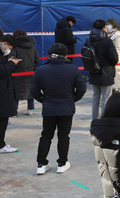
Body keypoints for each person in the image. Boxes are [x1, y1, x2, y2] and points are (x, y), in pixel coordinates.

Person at [31, 43, 86, 175]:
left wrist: (43, 99)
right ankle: (62, 163)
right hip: (66, 107)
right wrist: (72, 99)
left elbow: (34, 91)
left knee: (46, 135)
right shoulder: (73, 69)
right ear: (65, 55)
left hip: (49, 106)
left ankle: (41, 164)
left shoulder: (41, 70)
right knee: (63, 136)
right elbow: (82, 89)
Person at [88, 19, 118, 120]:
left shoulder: (89, 40)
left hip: (93, 71)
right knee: (106, 98)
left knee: (95, 97)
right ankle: (105, 120)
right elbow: (114, 58)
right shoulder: (107, 41)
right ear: (104, 28)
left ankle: (95, 119)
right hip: (106, 72)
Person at [10, 30, 39, 115]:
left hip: (17, 73)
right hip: (30, 71)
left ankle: (14, 111)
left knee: (16, 92)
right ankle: (30, 109)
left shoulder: (15, 47)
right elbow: (37, 59)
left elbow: (12, 59)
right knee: (30, 90)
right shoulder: (32, 46)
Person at [106, 18, 120, 94]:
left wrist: (113, 55)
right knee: (113, 73)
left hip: (116, 56)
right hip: (111, 56)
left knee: (118, 73)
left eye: (109, 25)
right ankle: (115, 88)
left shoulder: (117, 34)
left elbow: (118, 48)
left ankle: (119, 88)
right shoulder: (110, 33)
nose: (107, 26)